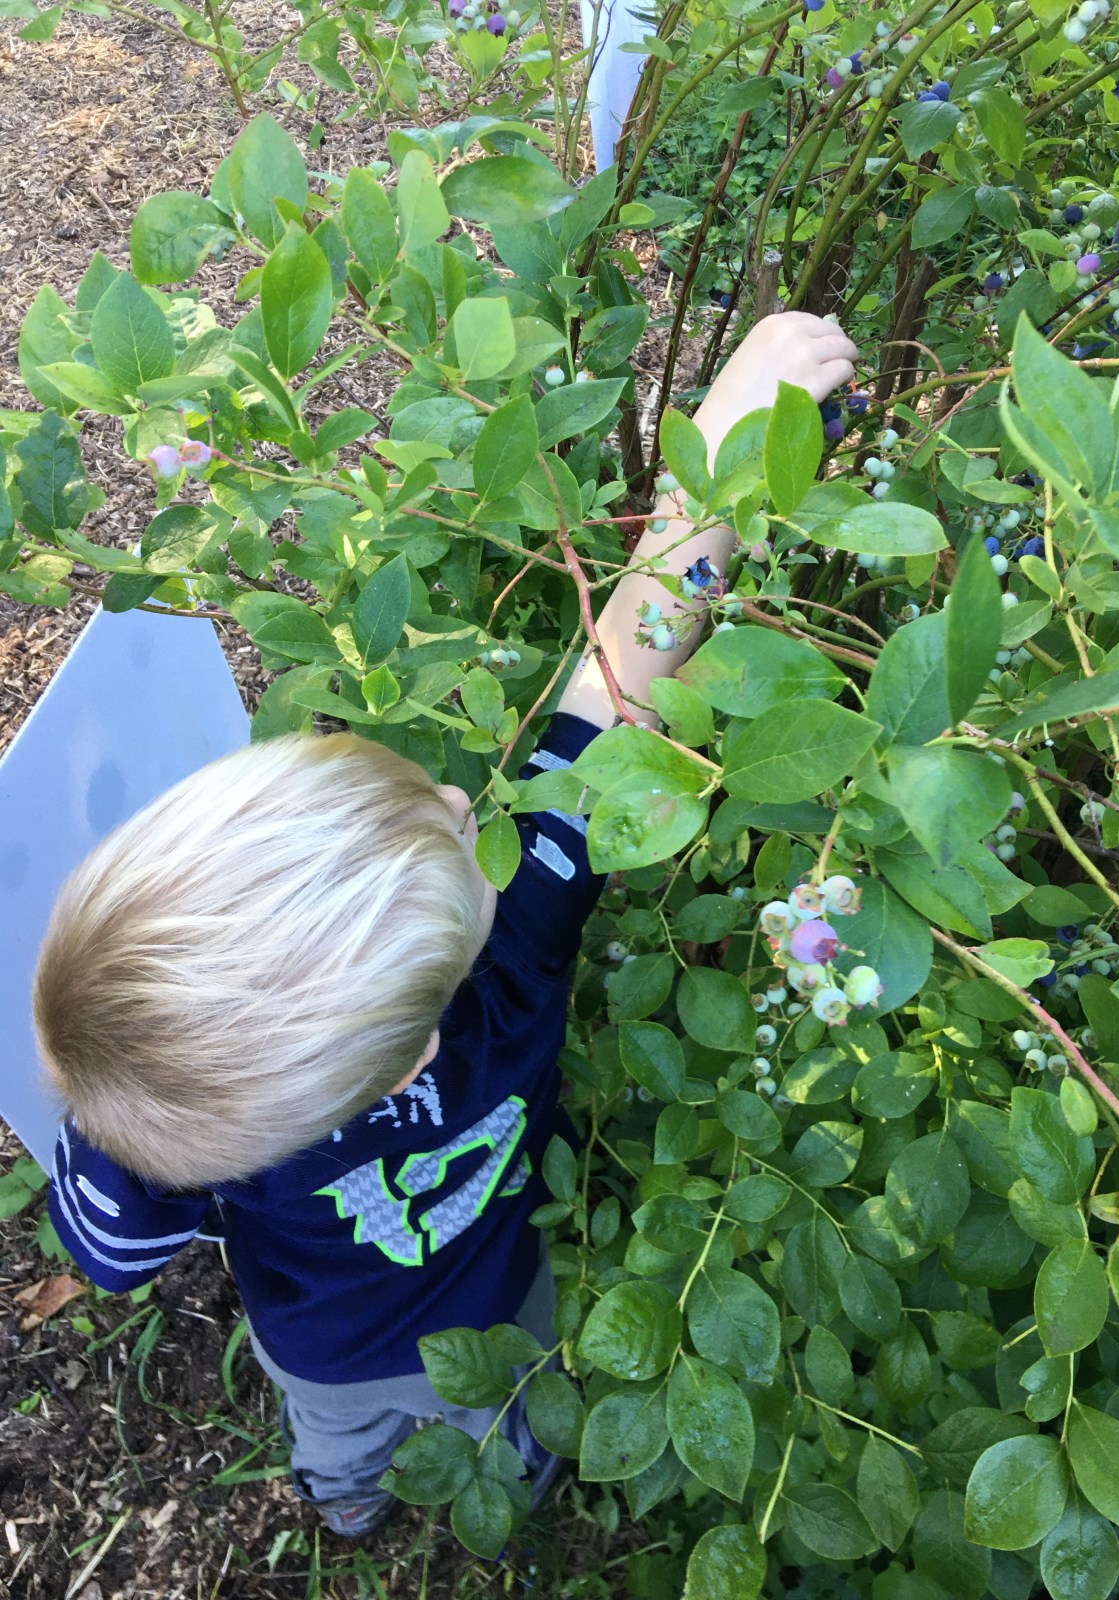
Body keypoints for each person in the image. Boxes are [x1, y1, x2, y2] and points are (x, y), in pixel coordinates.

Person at [32, 312, 857, 1540]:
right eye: (459, 834)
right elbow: (623, 681)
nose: (470, 797)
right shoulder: (515, 955)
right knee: (511, 1402)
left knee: (343, 1448)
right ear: (421, 1052)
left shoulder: (188, 1133)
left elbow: (105, 1254)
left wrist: (123, 1132)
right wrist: (726, 453)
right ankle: (499, 1475)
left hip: (323, 1353)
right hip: (500, 1289)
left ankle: (351, 1501)